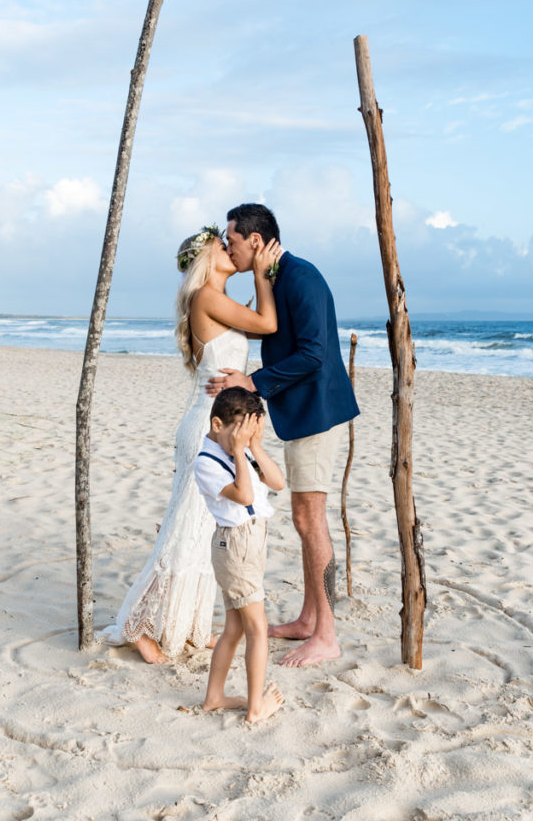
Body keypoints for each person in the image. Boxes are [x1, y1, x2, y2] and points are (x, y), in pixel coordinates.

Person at [96, 224, 281, 663]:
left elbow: (258, 329)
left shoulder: (220, 302)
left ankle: (189, 626)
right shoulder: (206, 298)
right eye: (222, 243)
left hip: (218, 425)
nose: (228, 247)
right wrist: (262, 271)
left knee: (204, 532)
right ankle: (139, 625)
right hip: (206, 427)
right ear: (207, 256)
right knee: (185, 528)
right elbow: (268, 323)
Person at [207, 204, 359, 667]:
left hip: (318, 412)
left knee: (311, 521)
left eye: (232, 241)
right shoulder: (277, 276)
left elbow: (314, 354)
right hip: (302, 412)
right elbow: (265, 326)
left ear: (255, 240)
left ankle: (326, 635)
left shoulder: (301, 277)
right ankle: (309, 619)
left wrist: (252, 382)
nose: (228, 249)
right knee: (302, 518)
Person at [194, 387, 285, 723]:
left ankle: (214, 696)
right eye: (242, 432)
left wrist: (254, 447)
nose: (246, 439)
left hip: (250, 544)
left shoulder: (244, 451)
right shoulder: (207, 462)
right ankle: (255, 709)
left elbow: (277, 483)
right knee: (257, 629)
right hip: (235, 546)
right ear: (217, 424)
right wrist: (238, 450)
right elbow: (244, 493)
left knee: (233, 627)